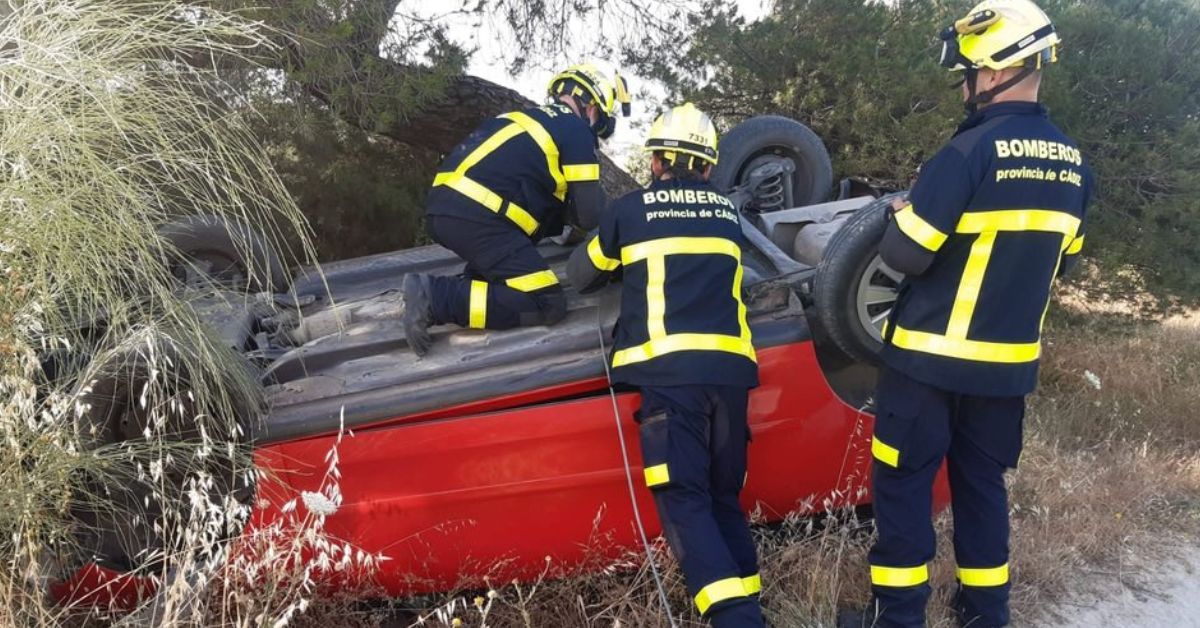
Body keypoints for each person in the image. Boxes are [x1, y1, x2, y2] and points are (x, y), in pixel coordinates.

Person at [840, 2, 1093, 627]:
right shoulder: (1074, 166)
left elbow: (905, 256)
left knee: (903, 486)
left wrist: (903, 214)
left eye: (968, 73)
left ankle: (898, 618)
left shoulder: (966, 153)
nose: (964, 86)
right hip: (1005, 372)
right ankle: (985, 613)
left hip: (926, 363)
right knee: (981, 487)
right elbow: (1063, 263)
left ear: (995, 69)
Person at [567, 103, 765, 628]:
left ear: (656, 162)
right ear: (708, 166)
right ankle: (752, 607)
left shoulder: (630, 211)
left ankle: (739, 622)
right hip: (730, 376)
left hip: (669, 377)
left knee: (684, 500)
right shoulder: (728, 215)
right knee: (723, 498)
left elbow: (582, 275)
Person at [402, 64, 631, 355]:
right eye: (598, 123)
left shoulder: (526, 120)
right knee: (547, 301)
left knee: (501, 283)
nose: (594, 134)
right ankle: (434, 297)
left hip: (451, 210)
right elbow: (589, 214)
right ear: (592, 108)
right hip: (480, 216)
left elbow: (543, 201)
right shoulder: (575, 129)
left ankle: (461, 290)